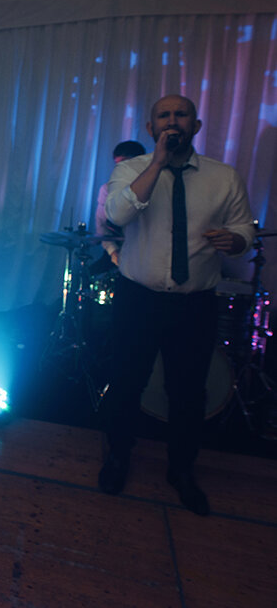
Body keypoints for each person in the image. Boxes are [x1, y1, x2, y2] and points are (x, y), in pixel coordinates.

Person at [98, 95, 254, 515]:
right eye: (163, 116)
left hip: (195, 303)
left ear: (196, 125)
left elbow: (244, 226)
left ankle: (182, 470)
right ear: (151, 129)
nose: (173, 121)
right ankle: (117, 456)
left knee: (188, 392)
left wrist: (239, 239)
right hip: (138, 299)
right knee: (126, 383)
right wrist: (156, 164)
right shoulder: (131, 171)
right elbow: (116, 215)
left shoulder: (224, 177)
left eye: (180, 114)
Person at [93, 140, 146, 269]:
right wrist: (113, 251)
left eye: (125, 164)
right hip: (117, 252)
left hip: (146, 255)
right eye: (118, 165)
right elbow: (102, 227)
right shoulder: (107, 189)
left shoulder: (155, 188)